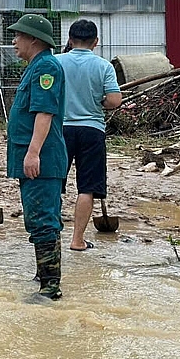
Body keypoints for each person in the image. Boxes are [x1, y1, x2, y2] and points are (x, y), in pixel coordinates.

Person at [6, 14, 68, 300]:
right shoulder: (35, 67)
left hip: (41, 159)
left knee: (43, 219)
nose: (14, 40)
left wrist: (33, 153)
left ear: (33, 39)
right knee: (40, 217)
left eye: (18, 35)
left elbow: (45, 113)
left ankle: (50, 288)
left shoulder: (47, 68)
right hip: (34, 158)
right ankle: (43, 274)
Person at [57, 20, 123, 251]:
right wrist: (99, 101)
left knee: (55, 182)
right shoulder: (103, 66)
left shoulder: (56, 62)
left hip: (59, 130)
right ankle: (77, 240)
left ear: (69, 39)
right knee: (87, 186)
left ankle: (52, 233)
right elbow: (114, 100)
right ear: (96, 42)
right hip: (92, 130)